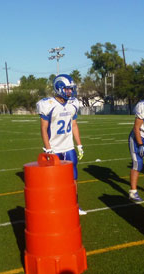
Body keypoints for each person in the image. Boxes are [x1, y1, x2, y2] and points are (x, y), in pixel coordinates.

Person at [36, 74, 85, 214]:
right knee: (54, 181)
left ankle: (74, 204)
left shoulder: (73, 104)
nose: (70, 92)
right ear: (59, 88)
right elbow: (44, 129)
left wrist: (79, 144)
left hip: (69, 147)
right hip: (54, 148)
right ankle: (57, 205)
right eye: (67, 89)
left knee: (73, 178)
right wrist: (48, 148)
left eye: (71, 89)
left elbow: (74, 125)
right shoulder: (48, 105)